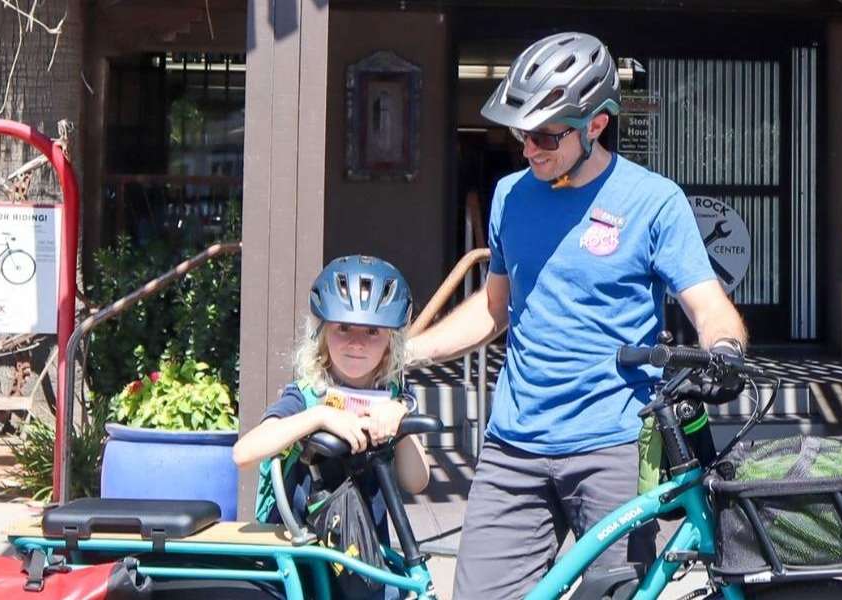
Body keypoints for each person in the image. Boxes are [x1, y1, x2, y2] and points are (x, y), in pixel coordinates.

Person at [405, 32, 749, 599]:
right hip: (514, 446)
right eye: (521, 132)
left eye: (544, 134)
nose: (528, 149)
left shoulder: (653, 200)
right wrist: (406, 354)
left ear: (596, 125)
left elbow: (709, 304)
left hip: (612, 445)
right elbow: (495, 309)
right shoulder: (511, 195)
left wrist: (726, 350)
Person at [232, 255, 431, 571]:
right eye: (343, 328)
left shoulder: (393, 398)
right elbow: (244, 453)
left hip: (366, 557)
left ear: (391, 343)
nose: (356, 343)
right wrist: (319, 417)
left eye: (372, 332)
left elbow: (417, 481)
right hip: (303, 553)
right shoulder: (307, 394)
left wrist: (400, 421)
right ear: (322, 333)